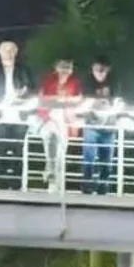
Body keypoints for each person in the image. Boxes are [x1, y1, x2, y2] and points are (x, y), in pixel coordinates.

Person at [0, 40, 35, 190]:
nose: (8, 53)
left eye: (11, 50)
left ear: (16, 53)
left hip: (19, 117)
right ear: (0, 53)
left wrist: (23, 96)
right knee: (1, 150)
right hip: (0, 116)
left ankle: (17, 184)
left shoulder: (23, 71)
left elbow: (32, 90)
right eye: (5, 50)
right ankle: (1, 184)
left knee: (17, 150)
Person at [35, 57, 83, 192]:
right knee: (52, 139)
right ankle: (52, 178)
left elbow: (79, 99)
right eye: (62, 67)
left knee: (61, 152)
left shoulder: (75, 82)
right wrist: (60, 100)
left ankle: (54, 180)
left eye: (68, 67)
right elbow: (42, 98)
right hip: (48, 118)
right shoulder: (48, 80)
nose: (65, 71)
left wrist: (63, 101)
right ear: (56, 67)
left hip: (65, 120)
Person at [81, 56, 118, 195]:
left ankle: (103, 190)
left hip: (109, 127)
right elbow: (84, 102)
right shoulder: (87, 83)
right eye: (96, 70)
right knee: (88, 159)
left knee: (106, 161)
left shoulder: (115, 83)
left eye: (102, 70)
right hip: (91, 125)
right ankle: (86, 189)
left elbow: (118, 101)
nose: (99, 73)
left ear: (108, 70)